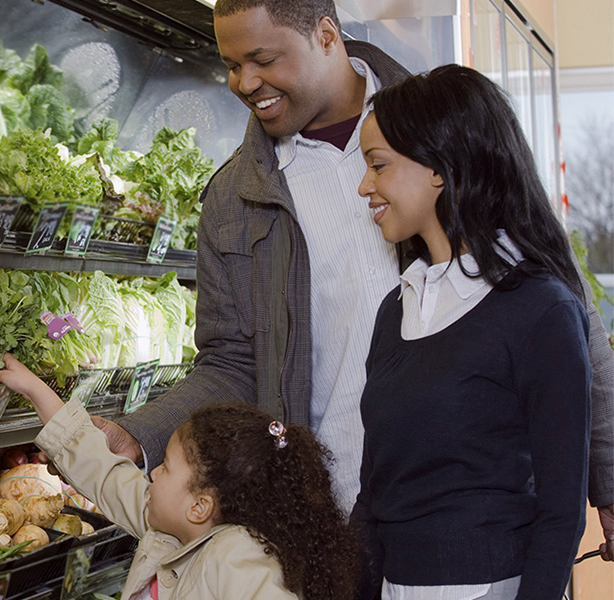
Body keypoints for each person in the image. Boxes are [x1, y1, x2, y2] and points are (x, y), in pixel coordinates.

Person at [85, 0, 614, 560]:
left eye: (263, 59)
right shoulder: (232, 197)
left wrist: (609, 478)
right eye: (232, 65)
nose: (244, 82)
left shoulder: (445, 130)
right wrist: (140, 435)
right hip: (328, 526)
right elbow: (232, 364)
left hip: (474, 517)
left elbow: (569, 314)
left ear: (326, 33)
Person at [352, 64, 589, 599]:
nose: (364, 185)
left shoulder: (539, 310)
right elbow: (373, 495)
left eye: (378, 165)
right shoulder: (397, 308)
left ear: (439, 167)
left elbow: (561, 513)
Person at [0, 353, 360, 600]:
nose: (153, 474)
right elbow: (105, 472)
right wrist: (36, 390)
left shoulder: (237, 557)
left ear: (200, 506)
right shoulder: (169, 525)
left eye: (164, 466)